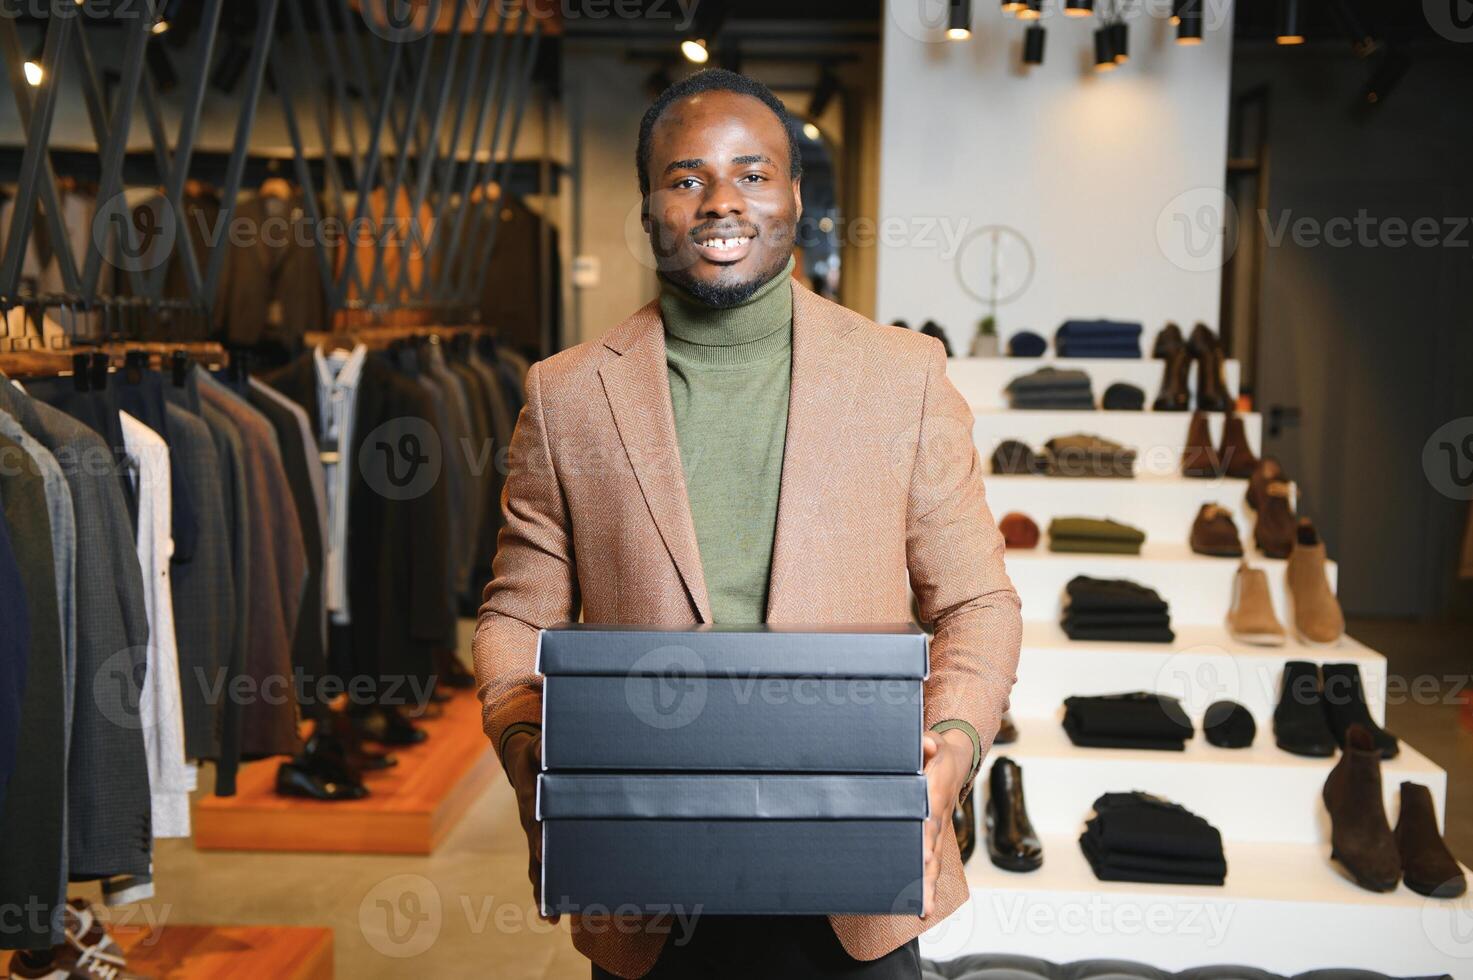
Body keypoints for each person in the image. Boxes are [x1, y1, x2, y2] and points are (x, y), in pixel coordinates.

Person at [473, 69, 1022, 980]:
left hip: (855, 891)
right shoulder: (567, 394)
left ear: (795, 196)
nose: (722, 201)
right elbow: (513, 619)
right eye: (686, 178)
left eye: (753, 173)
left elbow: (978, 603)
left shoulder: (901, 376)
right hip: (642, 890)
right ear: (648, 208)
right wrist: (532, 754)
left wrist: (950, 756)